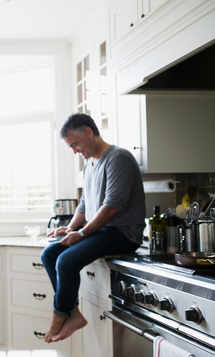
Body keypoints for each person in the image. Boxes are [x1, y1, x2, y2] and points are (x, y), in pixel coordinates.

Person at [41, 113, 145, 343]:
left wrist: (82, 233)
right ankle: (74, 313)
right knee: (49, 254)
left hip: (123, 233)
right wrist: (70, 228)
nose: (75, 150)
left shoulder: (119, 158)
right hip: (102, 231)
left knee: (65, 261)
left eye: (75, 144)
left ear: (88, 131)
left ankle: (59, 315)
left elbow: (112, 207)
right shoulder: (90, 164)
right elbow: (86, 203)